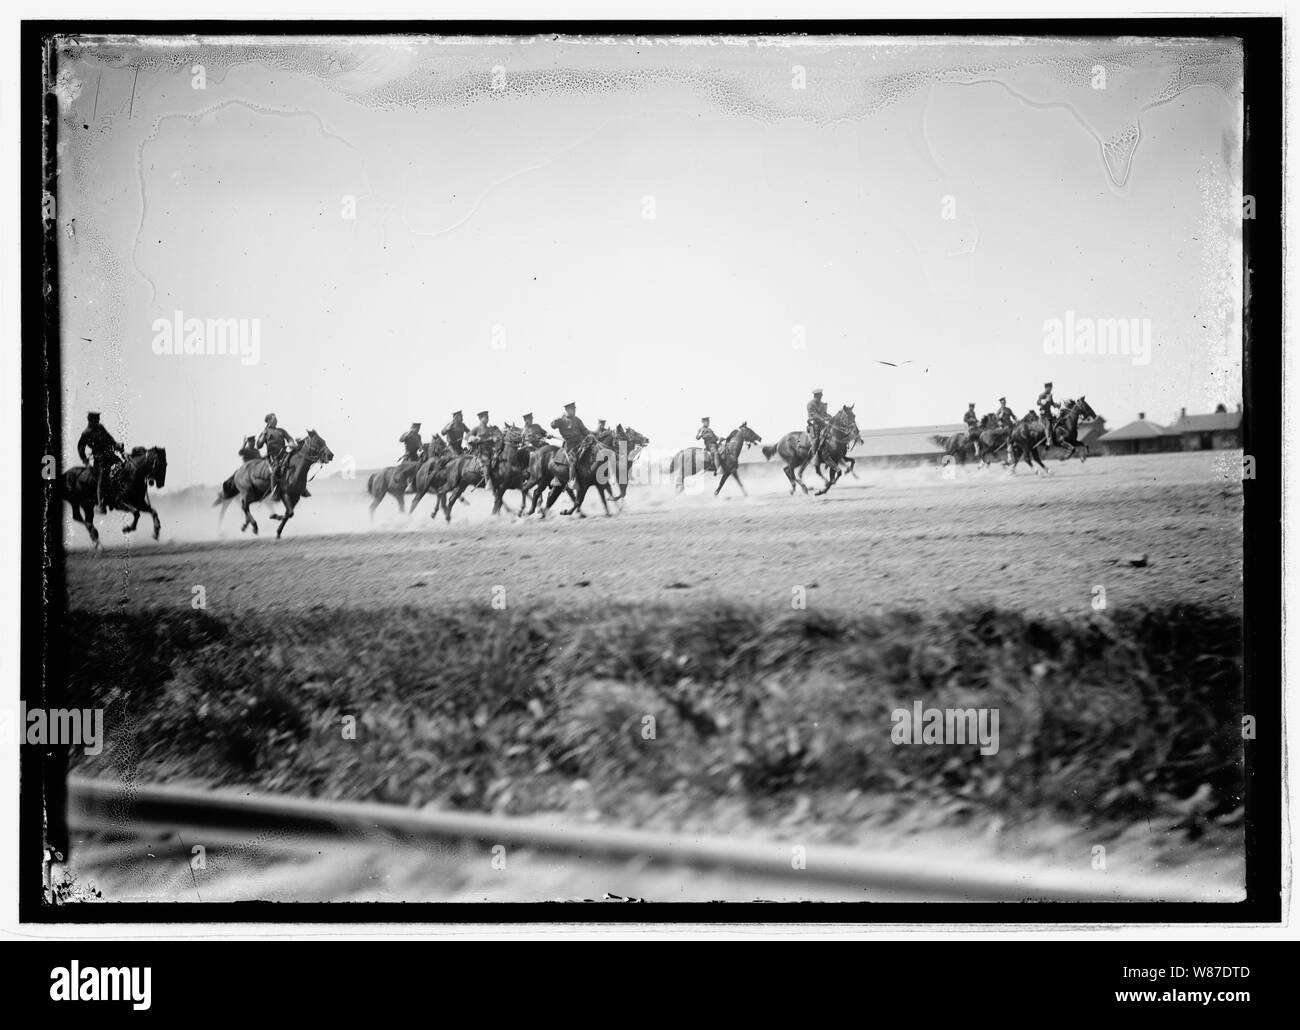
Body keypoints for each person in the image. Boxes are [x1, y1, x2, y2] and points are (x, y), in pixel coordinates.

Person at [77, 411, 124, 514]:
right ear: (90, 420)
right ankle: (100, 504)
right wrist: (85, 461)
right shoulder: (86, 433)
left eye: (98, 419)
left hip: (110, 455)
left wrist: (117, 446)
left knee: (123, 466)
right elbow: (81, 448)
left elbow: (110, 439)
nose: (97, 421)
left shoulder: (100, 427)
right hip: (99, 459)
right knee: (102, 479)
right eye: (95, 419)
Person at [256, 413, 298, 501]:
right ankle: (274, 493)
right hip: (273, 456)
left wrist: (291, 443)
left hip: (284, 453)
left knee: (296, 464)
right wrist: (263, 436)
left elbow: (290, 439)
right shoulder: (265, 432)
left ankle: (300, 487)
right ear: (269, 421)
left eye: (276, 419)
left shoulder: (281, 431)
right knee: (275, 470)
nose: (276, 421)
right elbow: (259, 445)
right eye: (274, 419)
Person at [551, 402, 592, 485]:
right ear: (567, 410)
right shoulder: (561, 420)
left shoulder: (577, 420)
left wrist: (591, 435)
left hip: (581, 443)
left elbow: (585, 430)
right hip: (570, 445)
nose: (574, 411)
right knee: (573, 461)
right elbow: (552, 425)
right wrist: (559, 419)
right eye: (572, 409)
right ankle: (572, 481)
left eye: (574, 409)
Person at [806, 389, 831, 456]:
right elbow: (813, 414)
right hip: (814, 424)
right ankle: (814, 454)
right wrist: (821, 419)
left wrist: (830, 417)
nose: (821, 397)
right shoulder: (810, 404)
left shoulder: (822, 404)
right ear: (816, 395)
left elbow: (825, 414)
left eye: (821, 395)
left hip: (823, 424)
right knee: (816, 438)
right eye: (820, 395)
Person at [1037, 382, 1060, 447]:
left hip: (1049, 414)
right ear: (1047, 388)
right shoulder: (1042, 395)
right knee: (1048, 425)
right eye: (1050, 387)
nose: (1051, 389)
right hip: (1043, 414)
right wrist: (1043, 401)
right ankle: (1048, 440)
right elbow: (1038, 402)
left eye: (1051, 387)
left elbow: (1052, 403)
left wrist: (1057, 405)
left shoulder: (1050, 395)